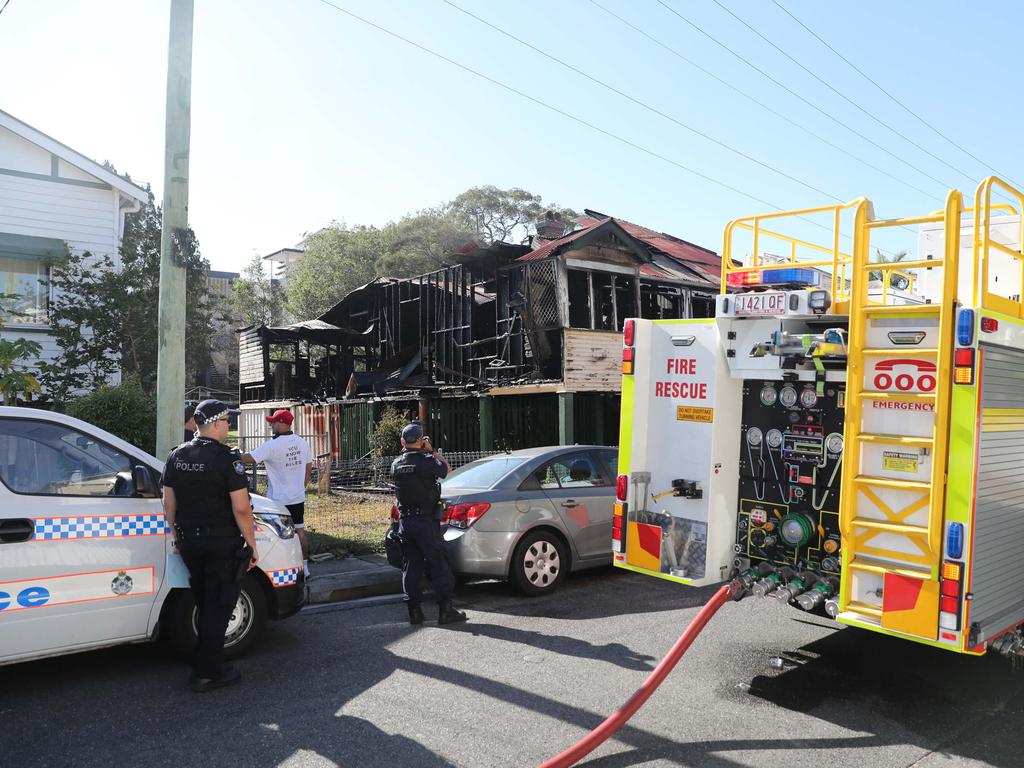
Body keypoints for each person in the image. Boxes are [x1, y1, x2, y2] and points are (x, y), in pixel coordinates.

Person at [162, 399, 258, 693]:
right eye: (228, 421)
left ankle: (205, 662)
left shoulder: (176, 456)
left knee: (204, 603)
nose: (229, 427)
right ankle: (208, 672)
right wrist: (252, 545)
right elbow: (241, 509)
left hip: (190, 541)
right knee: (219, 605)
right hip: (221, 543)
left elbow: (169, 504)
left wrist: (177, 536)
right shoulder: (227, 459)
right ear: (215, 423)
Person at [390, 422, 467, 626]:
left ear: (402, 442)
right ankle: (445, 610)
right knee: (438, 563)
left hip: (405, 522)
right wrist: (431, 451)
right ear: (422, 440)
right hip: (426, 521)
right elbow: (446, 469)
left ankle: (414, 611)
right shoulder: (427, 460)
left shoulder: (396, 464)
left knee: (411, 566)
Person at [240, 409, 313, 577]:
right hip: (297, 497)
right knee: (299, 531)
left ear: (281, 423)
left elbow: (249, 458)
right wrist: (300, 487)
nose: (271, 424)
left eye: (273, 421)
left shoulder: (272, 445)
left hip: (278, 501)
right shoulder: (302, 443)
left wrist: (231, 454)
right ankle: (305, 567)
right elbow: (308, 469)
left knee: (278, 535)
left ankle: (282, 567)